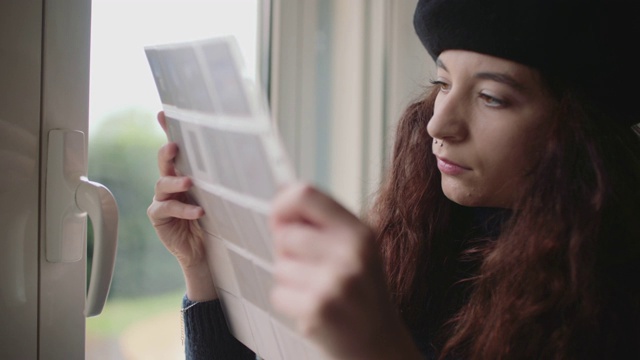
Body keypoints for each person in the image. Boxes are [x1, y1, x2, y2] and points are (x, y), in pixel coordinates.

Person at [147, 0, 640, 358]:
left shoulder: (613, 301)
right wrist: (203, 271)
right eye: (442, 82)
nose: (438, 124)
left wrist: (377, 344)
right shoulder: (425, 237)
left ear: (579, 131)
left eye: (491, 97)